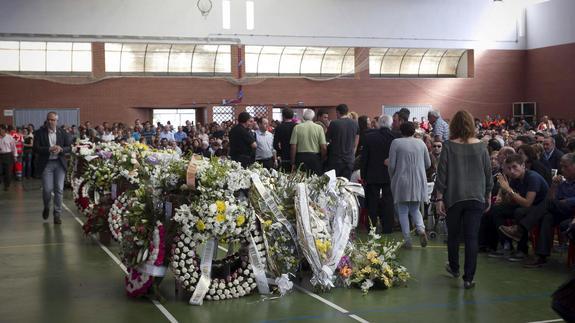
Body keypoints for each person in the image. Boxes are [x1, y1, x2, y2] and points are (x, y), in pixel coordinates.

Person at [435, 110, 493, 289]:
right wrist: (488, 194)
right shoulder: (482, 146)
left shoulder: (448, 146)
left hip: (454, 197)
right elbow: (488, 172)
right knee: (471, 237)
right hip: (476, 197)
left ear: (453, 126)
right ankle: (469, 277)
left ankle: (454, 267)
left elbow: (442, 174)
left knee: (453, 235)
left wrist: (438, 198)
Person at [499, 153, 575, 268]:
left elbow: (549, 202)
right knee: (547, 217)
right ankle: (541, 256)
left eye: (565, 166)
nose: (562, 169)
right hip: (560, 211)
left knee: (545, 205)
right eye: (561, 166)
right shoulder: (564, 182)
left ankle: (520, 228)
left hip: (572, 211)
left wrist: (566, 201)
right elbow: (552, 199)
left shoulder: (532, 177)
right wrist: (554, 185)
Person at [388, 122, 431, 248]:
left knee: (402, 211)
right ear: (414, 131)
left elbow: (392, 165)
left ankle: (407, 240)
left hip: (401, 179)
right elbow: (428, 164)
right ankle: (421, 229)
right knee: (415, 208)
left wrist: (392, 177)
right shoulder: (421, 143)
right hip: (418, 180)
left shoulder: (396, 143)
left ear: (401, 131)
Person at [34, 112, 73, 224]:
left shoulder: (62, 132)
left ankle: (57, 214)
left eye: (53, 120)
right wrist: (49, 149)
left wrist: (61, 149)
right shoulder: (39, 133)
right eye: (49, 120)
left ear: (57, 121)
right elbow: (36, 148)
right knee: (47, 189)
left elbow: (69, 147)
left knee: (59, 189)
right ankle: (46, 206)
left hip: (59, 164)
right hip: (47, 164)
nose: (50, 122)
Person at [361, 115, 397, 233]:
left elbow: (364, 158)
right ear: (390, 124)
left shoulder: (369, 137)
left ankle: (371, 227)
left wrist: (363, 175)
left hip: (372, 174)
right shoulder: (395, 138)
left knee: (372, 202)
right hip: (390, 174)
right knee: (388, 201)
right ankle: (388, 227)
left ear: (379, 124)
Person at [326, 104, 359, 179]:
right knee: (346, 182)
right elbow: (356, 141)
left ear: (337, 112)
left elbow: (327, 139)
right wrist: (352, 153)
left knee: (335, 183)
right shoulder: (355, 123)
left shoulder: (334, 123)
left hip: (336, 159)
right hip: (349, 159)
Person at [290, 109, 327, 175]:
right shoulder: (319, 128)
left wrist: (293, 162)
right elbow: (323, 147)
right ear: (313, 117)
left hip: (301, 158)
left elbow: (293, 147)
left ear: (303, 117)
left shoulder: (297, 127)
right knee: (315, 181)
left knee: (301, 181)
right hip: (315, 158)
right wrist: (322, 159)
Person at [273, 108, 297, 172]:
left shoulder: (279, 127)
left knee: (284, 175)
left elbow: (275, 144)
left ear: (283, 116)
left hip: (283, 155)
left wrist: (279, 152)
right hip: (295, 156)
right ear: (292, 116)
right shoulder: (296, 126)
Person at [0, 126, 17, 191]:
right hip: (0, 155)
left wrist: (15, 156)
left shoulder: (9, 137)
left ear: (4, 130)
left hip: (8, 155)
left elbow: (13, 147)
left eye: (1, 130)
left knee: (8, 172)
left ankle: (7, 185)